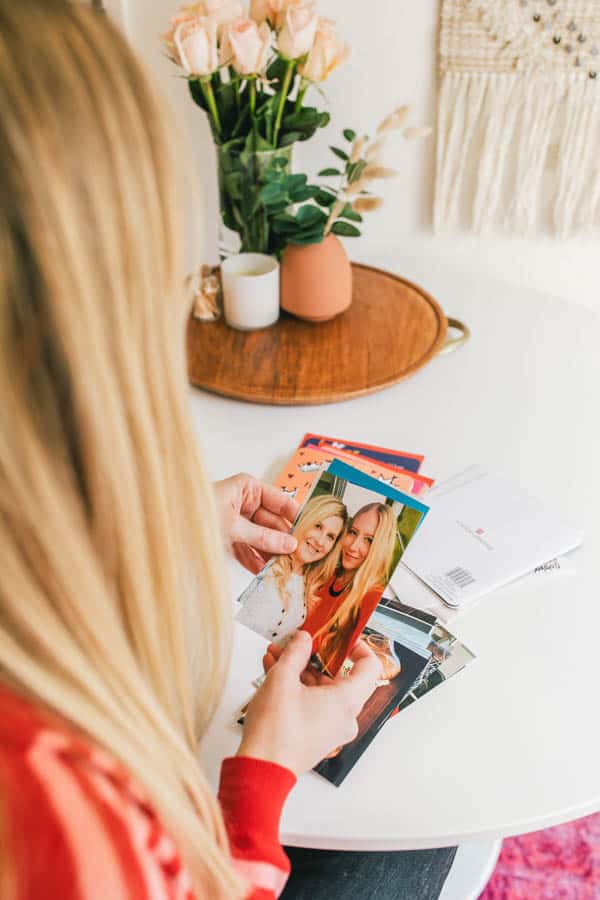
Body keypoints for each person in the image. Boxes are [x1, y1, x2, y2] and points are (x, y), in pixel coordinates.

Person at [0, 2, 455, 897]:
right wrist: (264, 773)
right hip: (210, 835)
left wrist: (151, 527)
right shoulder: (53, 797)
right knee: (412, 844)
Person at [303, 503, 398, 677]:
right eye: (353, 532)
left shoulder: (372, 596)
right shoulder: (326, 573)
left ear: (380, 547)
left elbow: (379, 666)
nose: (353, 546)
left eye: (369, 540)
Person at [236, 494, 348, 643]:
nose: (320, 541)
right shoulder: (264, 556)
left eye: (330, 536)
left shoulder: (311, 585)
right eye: (318, 526)